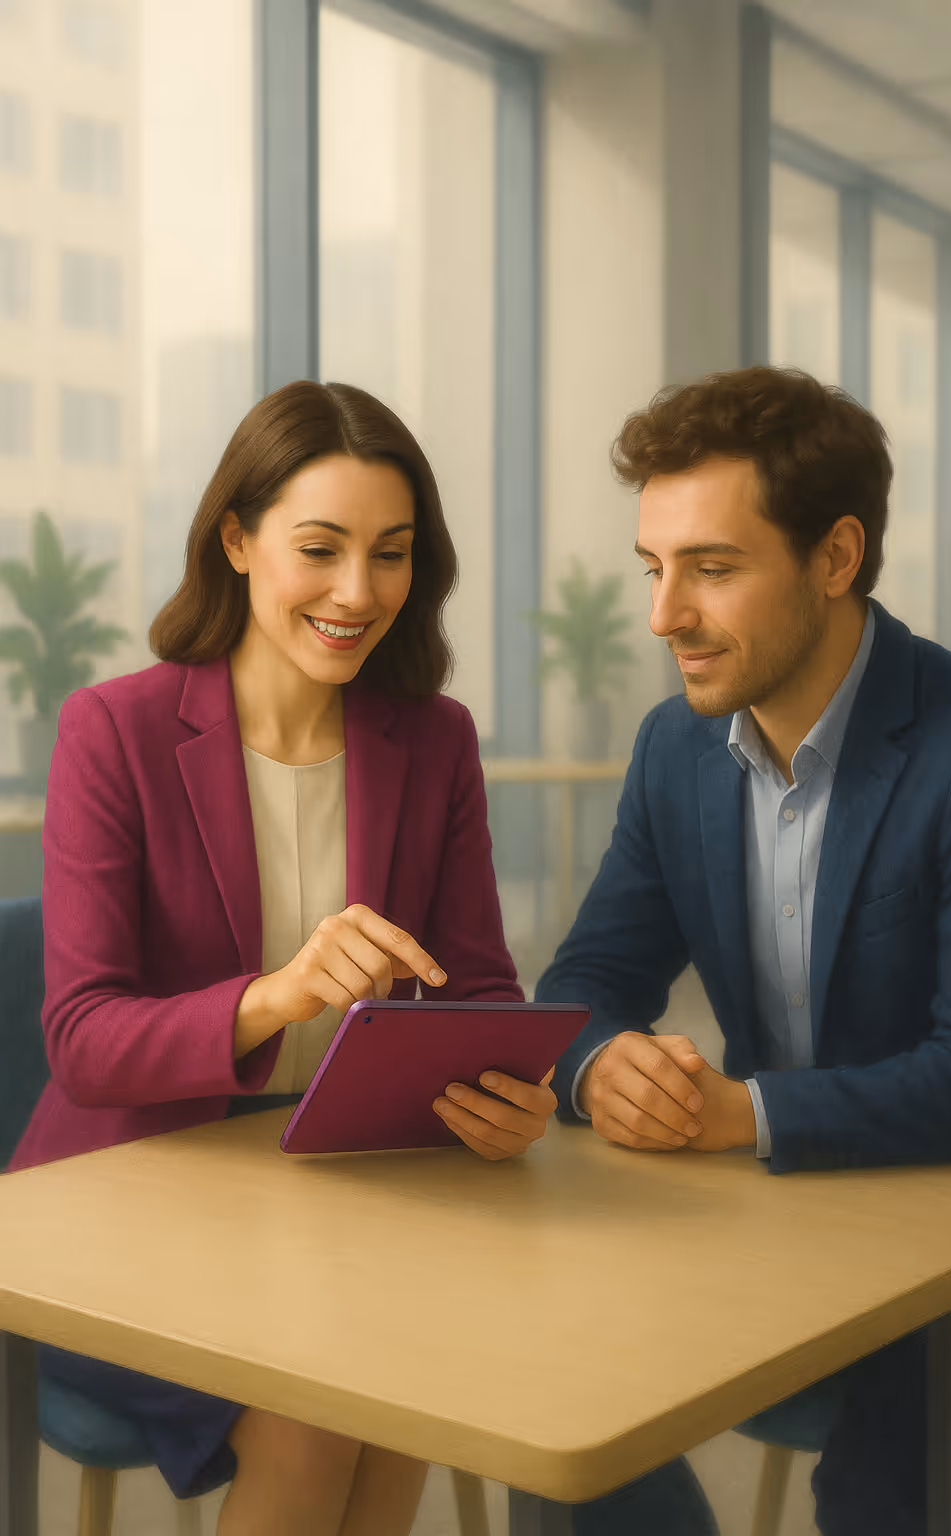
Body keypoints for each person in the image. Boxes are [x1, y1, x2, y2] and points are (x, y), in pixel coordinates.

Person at [10, 380, 556, 1536]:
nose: (360, 592)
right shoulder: (116, 730)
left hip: (351, 1205)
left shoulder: (435, 737)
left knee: (404, 1379)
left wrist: (507, 1094)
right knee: (322, 1405)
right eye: (321, 548)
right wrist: (275, 995)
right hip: (132, 1212)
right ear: (238, 539)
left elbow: (479, 992)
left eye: (392, 554)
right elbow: (84, 1041)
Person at [536, 366, 951, 1536]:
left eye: (710, 569)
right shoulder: (674, 749)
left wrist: (736, 1116)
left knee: (876, 1488)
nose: (665, 616)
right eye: (653, 569)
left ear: (835, 557)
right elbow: (584, 983)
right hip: (770, 1225)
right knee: (554, 1405)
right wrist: (598, 1065)